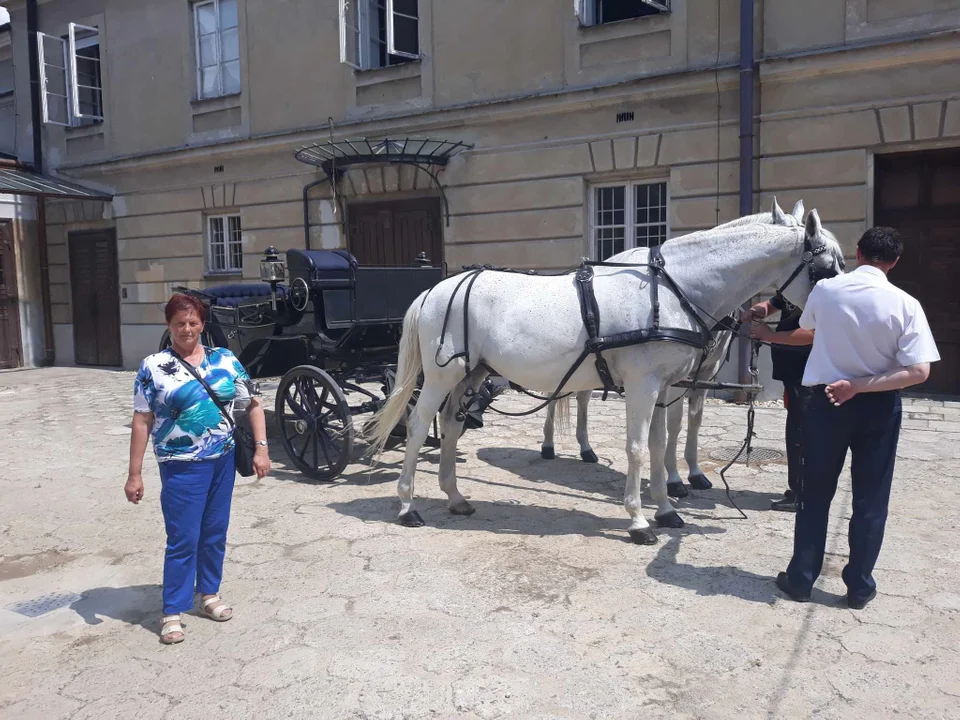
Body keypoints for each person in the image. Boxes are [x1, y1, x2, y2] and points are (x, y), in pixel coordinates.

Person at [750, 227, 939, 609]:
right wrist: (861, 385)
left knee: (815, 492)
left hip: (825, 403)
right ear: (895, 261)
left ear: (857, 252)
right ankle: (859, 586)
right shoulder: (906, 304)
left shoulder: (826, 291)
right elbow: (919, 372)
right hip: (880, 406)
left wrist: (766, 333)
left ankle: (801, 579)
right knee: (870, 499)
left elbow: (809, 332)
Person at [125, 293, 271, 644]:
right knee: (183, 538)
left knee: (215, 532)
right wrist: (134, 473)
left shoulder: (225, 359)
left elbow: (252, 403)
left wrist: (261, 449)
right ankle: (173, 611)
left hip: (221, 460)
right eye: (179, 324)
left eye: (193, 323)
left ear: (202, 324)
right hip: (180, 466)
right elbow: (142, 421)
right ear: (169, 326)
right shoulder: (153, 367)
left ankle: (208, 595)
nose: (186, 329)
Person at [744, 295, 813, 512]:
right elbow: (773, 305)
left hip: (807, 374)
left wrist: (769, 335)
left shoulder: (816, 288)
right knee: (796, 430)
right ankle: (798, 489)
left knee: (802, 433)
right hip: (792, 373)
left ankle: (803, 493)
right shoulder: (792, 287)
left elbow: (812, 335)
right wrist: (759, 310)